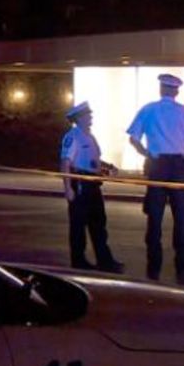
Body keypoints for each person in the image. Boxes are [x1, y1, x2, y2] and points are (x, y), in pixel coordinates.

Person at [127, 74, 184, 282]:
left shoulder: (148, 109)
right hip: (178, 165)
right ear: (176, 92)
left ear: (160, 89)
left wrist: (147, 153)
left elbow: (133, 138)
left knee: (155, 218)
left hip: (157, 164)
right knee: (182, 219)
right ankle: (183, 267)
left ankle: (154, 267)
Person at [60, 101, 124, 273]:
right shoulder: (72, 136)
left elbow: (93, 160)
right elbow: (66, 163)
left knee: (99, 224)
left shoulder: (90, 136)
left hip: (93, 184)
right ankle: (79, 262)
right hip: (80, 183)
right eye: (88, 115)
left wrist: (107, 167)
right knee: (79, 226)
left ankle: (105, 260)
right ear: (79, 118)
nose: (91, 117)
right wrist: (68, 188)